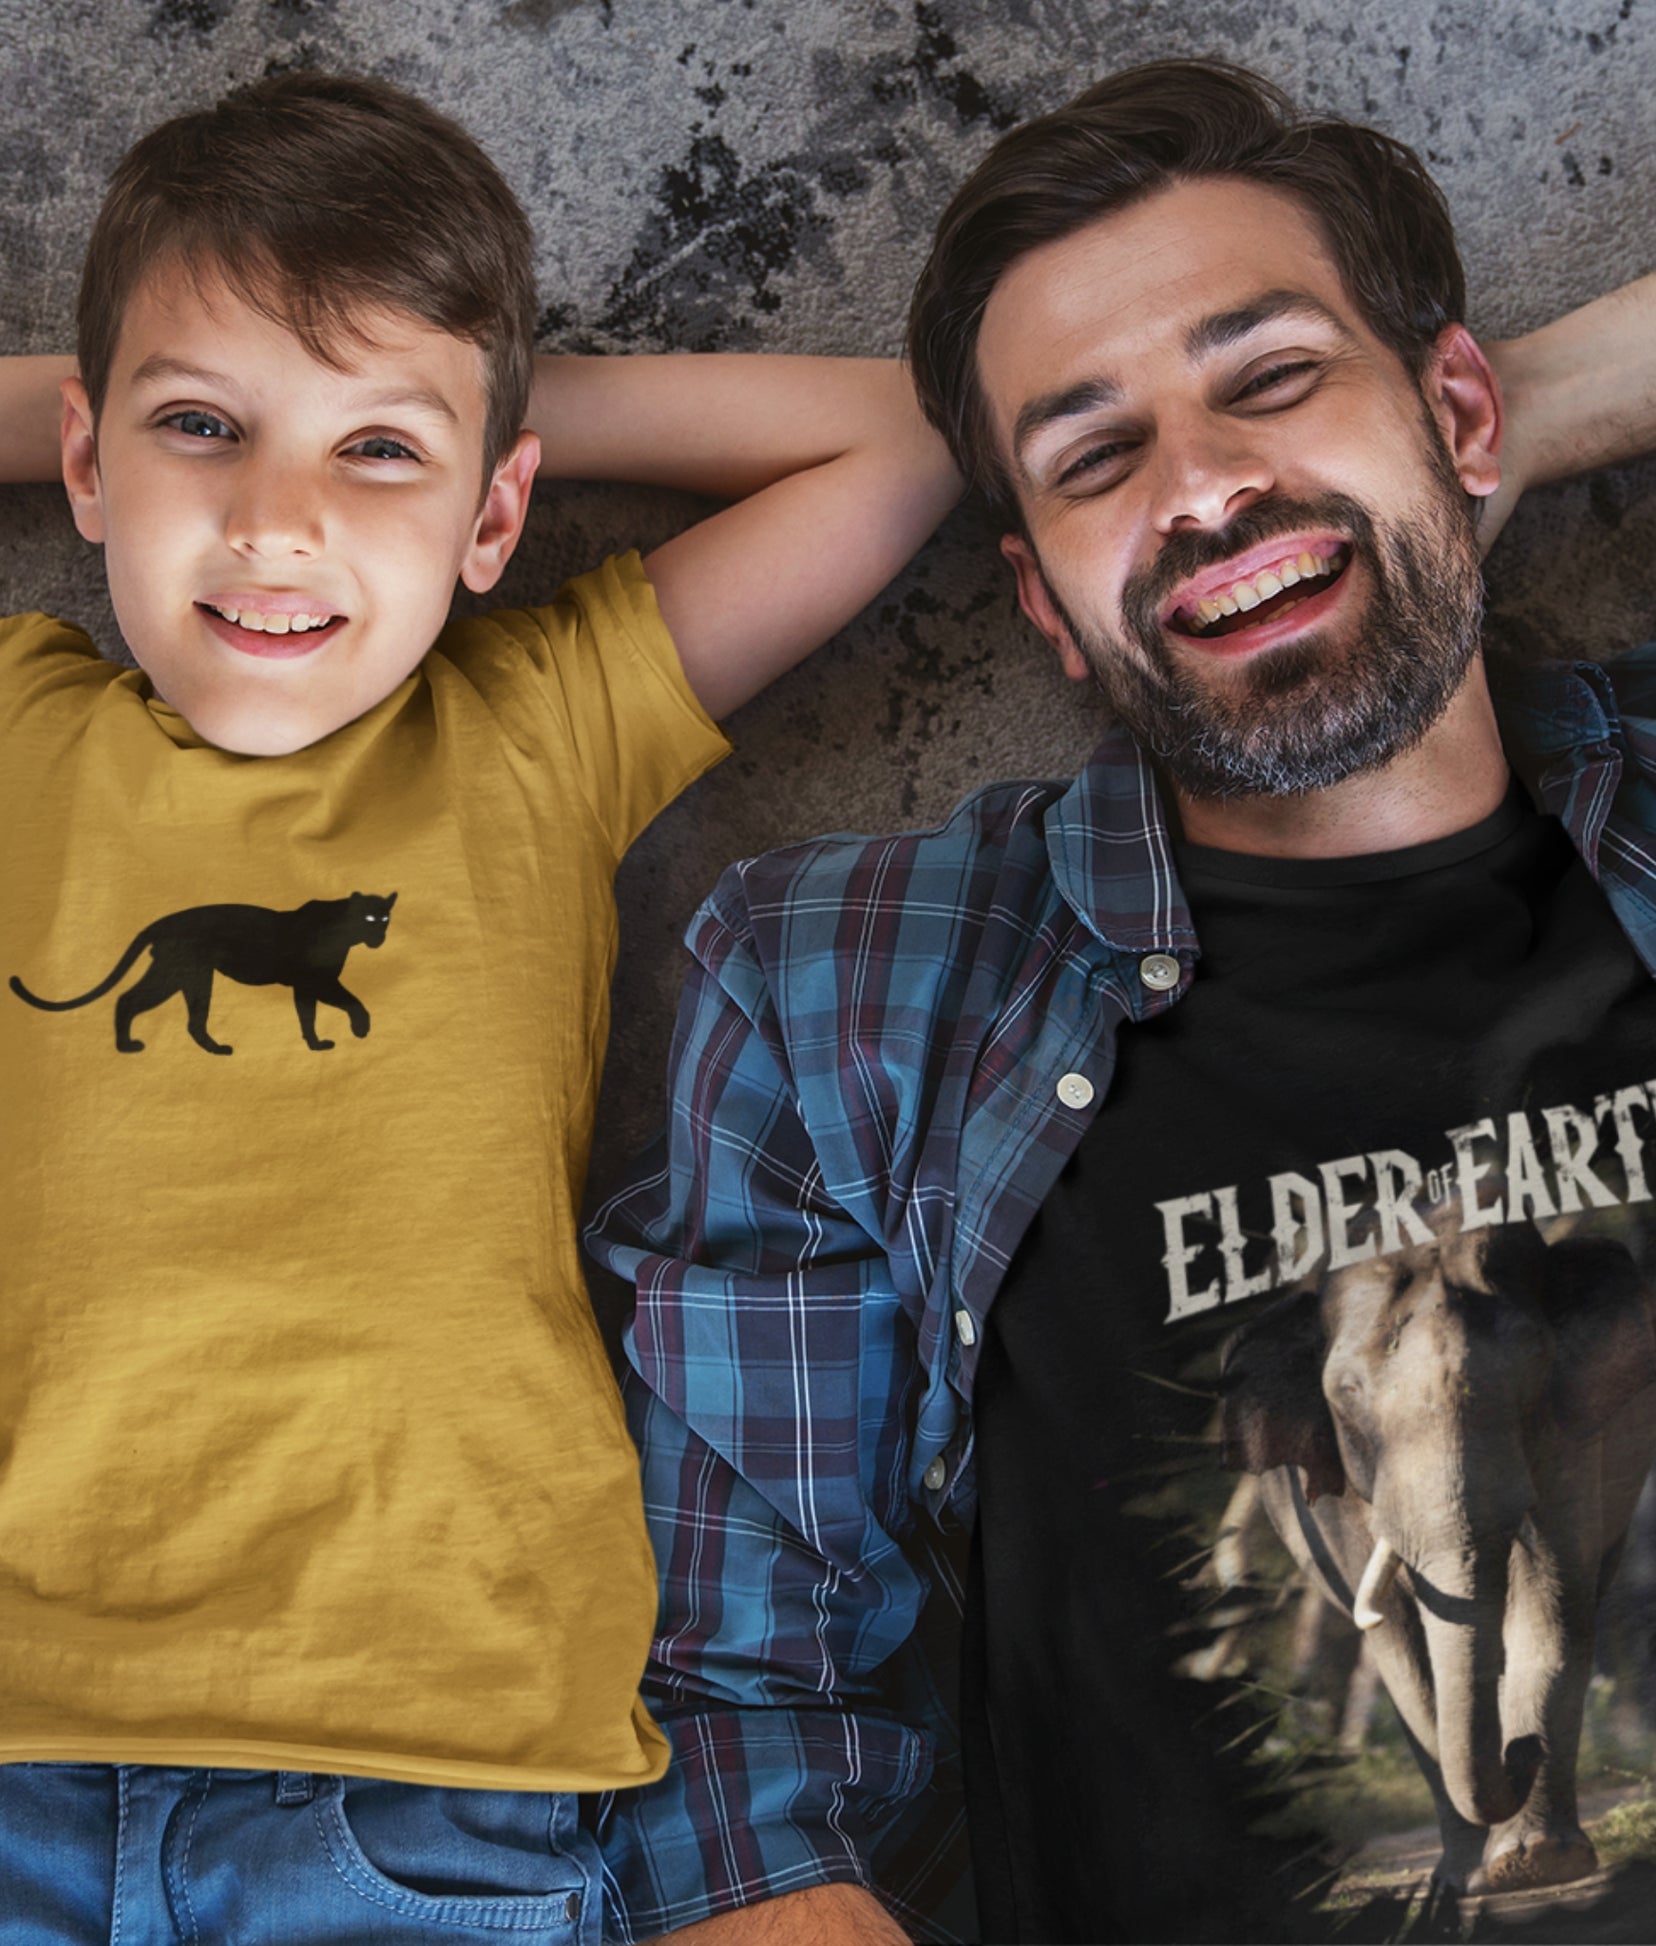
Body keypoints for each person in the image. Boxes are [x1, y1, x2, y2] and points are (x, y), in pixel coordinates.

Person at [586, 58, 1656, 1945]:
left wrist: (1500, 440)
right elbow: (731, 1727)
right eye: (1093, 456)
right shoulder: (850, 992)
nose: (1205, 487)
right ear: (1047, 612)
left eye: (1271, 374)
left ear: (1458, 399)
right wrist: (1360, 457)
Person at [0, 69, 955, 1941]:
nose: (277, 522)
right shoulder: (23, 724)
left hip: (429, 1767)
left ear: (501, 511)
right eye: (205, 429)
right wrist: (310, 393)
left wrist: (485, 393)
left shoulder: (540, 721)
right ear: (85, 457)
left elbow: (921, 438)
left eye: (374, 455)